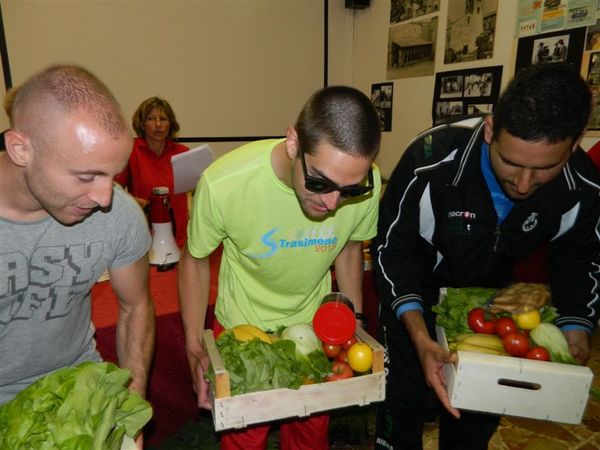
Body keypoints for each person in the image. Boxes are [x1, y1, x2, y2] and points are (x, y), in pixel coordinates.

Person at [371, 62, 600, 450]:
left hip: (488, 303)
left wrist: (577, 327)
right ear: (491, 129)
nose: (524, 184)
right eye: (510, 162)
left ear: (574, 145)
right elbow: (394, 253)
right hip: (415, 294)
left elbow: (580, 260)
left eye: (544, 169)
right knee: (403, 402)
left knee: (476, 412)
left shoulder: (582, 186)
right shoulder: (429, 162)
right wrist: (421, 338)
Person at [179, 85, 382, 450]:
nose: (333, 202)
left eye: (348, 190)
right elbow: (194, 260)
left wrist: (352, 324)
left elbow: (350, 248)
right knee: (245, 438)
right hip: (243, 329)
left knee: (309, 437)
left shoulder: (368, 185)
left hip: (315, 329)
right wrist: (195, 347)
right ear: (293, 143)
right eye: (320, 182)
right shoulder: (224, 184)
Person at [0, 65, 155, 446]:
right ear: (21, 149)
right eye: (86, 177)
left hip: (78, 391)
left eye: (113, 175)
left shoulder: (117, 212)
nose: (105, 198)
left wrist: (128, 407)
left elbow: (136, 307)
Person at [115, 96, 190, 248]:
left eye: (163, 119)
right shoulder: (131, 151)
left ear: (170, 124)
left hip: (179, 238)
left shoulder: (183, 153)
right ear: (142, 124)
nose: (158, 125)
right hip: (143, 234)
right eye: (151, 119)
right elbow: (113, 188)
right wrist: (133, 201)